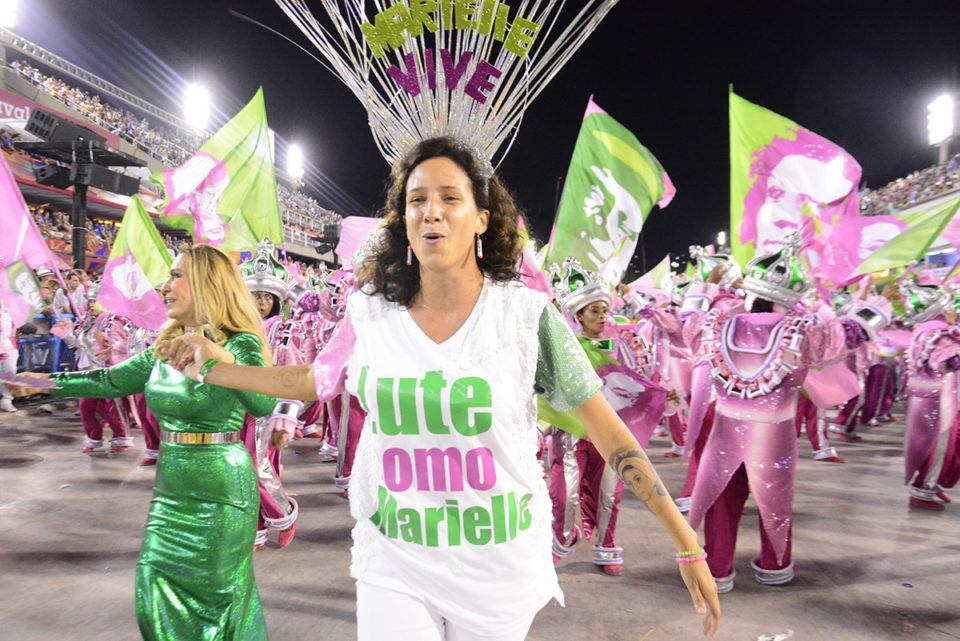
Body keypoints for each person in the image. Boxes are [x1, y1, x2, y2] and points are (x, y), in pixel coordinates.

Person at [165, 137, 721, 640]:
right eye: (416, 199)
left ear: (482, 218)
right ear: (403, 220)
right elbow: (313, 379)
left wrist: (686, 541)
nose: (431, 210)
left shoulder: (526, 318)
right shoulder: (370, 315)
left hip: (496, 565)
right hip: (396, 557)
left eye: (450, 198)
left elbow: (611, 435)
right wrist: (215, 366)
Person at [37, 244, 275, 641]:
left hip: (221, 495)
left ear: (206, 284)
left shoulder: (241, 344)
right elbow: (107, 381)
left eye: (176, 276)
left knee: (214, 606)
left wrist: (221, 360)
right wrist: (35, 382)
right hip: (170, 496)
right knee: (152, 592)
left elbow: (263, 402)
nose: (165, 286)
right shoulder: (167, 346)